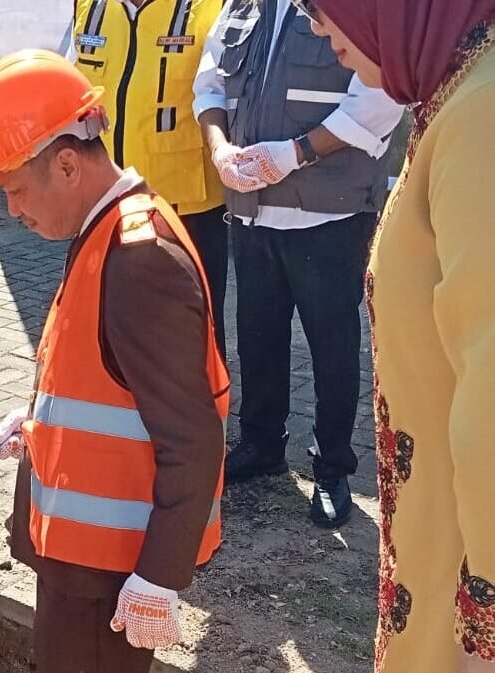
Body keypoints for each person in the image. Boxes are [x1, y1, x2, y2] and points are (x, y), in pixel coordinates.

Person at [0, 49, 228, 673]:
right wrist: (36, 423)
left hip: (109, 579)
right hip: (86, 566)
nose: (15, 211)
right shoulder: (104, 232)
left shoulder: (138, 259)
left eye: (17, 190)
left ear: (65, 164)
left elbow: (193, 439)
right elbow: (109, 383)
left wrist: (159, 580)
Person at [302, 0, 495, 670]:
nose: (318, 28)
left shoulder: (482, 114)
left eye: (322, 9)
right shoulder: (460, 92)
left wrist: (485, 630)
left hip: (468, 577)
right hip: (444, 535)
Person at [193, 0, 403, 528]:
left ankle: (333, 467)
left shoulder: (354, 6)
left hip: (328, 215)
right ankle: (262, 443)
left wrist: (295, 153)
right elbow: (210, 81)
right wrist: (219, 149)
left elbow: (382, 98)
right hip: (252, 210)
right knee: (258, 335)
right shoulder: (243, 7)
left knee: (332, 346)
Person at [73, 0, 229, 357]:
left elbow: (221, 94)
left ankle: (206, 409)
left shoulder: (211, 7)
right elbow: (73, 89)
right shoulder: (91, 7)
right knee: (113, 320)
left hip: (185, 207)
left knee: (194, 327)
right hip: (107, 203)